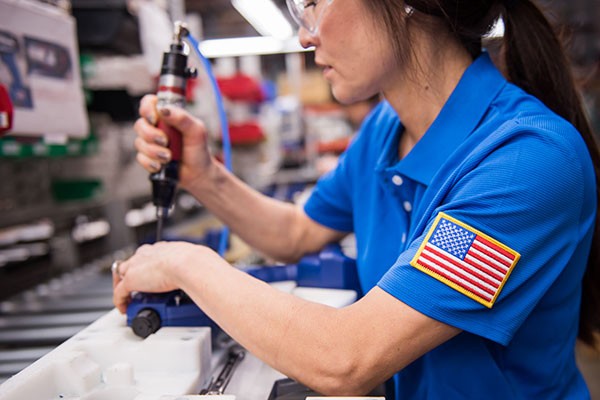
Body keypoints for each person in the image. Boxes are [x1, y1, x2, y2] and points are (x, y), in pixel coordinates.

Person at [114, 0, 600, 397]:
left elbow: (348, 358)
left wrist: (185, 265)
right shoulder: (385, 129)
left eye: (314, 3)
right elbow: (296, 231)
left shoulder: (526, 161)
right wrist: (205, 176)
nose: (305, 35)